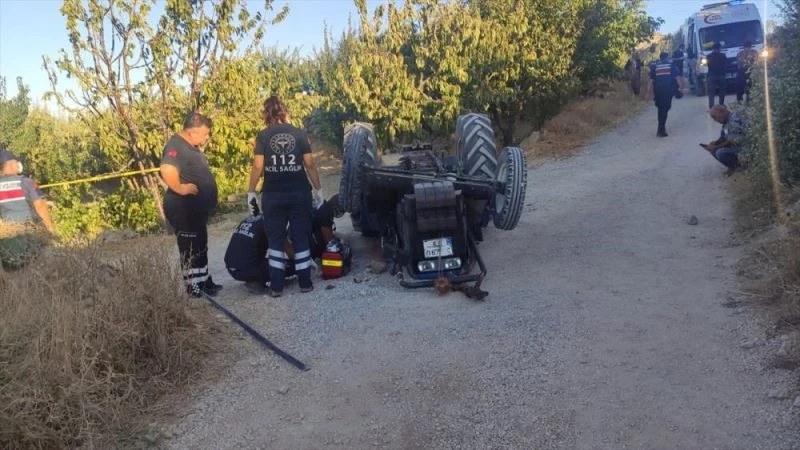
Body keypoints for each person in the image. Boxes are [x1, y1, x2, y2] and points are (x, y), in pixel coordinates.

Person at [248, 95, 322, 298]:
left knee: (275, 241)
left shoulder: (263, 136)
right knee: (300, 238)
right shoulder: (299, 134)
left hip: (273, 196)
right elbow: (310, 164)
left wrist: (251, 191)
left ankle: (277, 287)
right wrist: (318, 189)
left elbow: (257, 166)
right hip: (299, 194)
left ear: (266, 114)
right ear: (285, 111)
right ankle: (305, 283)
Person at [224, 195, 344, 294]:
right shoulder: (272, 224)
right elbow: (289, 250)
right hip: (246, 268)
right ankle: (254, 282)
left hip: (231, 266)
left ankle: (254, 276)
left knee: (268, 260)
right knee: (290, 266)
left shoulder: (254, 218)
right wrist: (306, 262)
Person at [159, 111, 222, 298]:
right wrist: (180, 188)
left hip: (196, 209)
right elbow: (167, 168)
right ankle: (193, 287)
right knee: (189, 247)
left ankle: (203, 281)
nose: (207, 137)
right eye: (204, 134)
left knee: (200, 244)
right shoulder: (175, 145)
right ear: (192, 131)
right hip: (183, 207)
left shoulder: (190, 146)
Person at [0, 147, 55, 270]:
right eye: (16, 162)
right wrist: (50, 228)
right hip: (29, 233)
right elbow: (40, 206)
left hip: (8, 240)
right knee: (37, 266)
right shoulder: (26, 182)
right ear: (10, 164)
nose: (18, 164)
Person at [700, 105, 746, 176]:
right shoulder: (726, 122)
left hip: (744, 147)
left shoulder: (734, 120)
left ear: (721, 111)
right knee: (714, 150)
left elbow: (732, 140)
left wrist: (715, 147)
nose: (715, 120)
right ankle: (733, 166)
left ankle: (740, 166)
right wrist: (715, 143)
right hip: (736, 146)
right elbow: (723, 137)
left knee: (720, 152)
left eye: (715, 117)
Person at [649, 52, 680, 137]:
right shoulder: (671, 65)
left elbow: (651, 80)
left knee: (660, 109)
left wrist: (648, 92)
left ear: (660, 58)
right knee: (666, 108)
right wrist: (680, 88)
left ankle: (660, 127)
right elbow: (677, 78)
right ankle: (661, 129)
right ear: (667, 57)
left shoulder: (655, 66)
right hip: (667, 91)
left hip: (658, 91)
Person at [706, 42, 728, 109]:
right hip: (721, 75)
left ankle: (711, 106)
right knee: (722, 91)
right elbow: (725, 65)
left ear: (712, 48)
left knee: (711, 92)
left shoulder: (708, 56)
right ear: (719, 48)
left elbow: (707, 66)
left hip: (711, 75)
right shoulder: (723, 55)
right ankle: (721, 104)